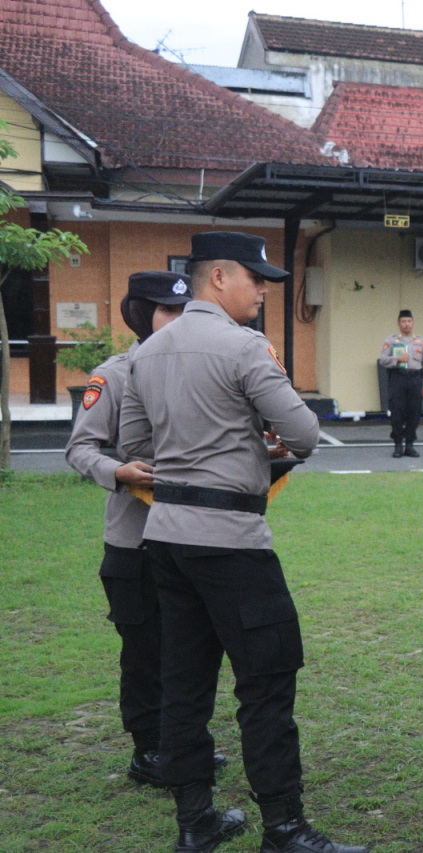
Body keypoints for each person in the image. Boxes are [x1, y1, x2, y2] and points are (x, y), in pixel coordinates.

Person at [118, 232, 365, 853]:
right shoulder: (245, 345)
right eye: (256, 279)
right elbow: (305, 434)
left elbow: (132, 448)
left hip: (166, 536)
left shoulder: (148, 352)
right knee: (267, 680)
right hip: (231, 538)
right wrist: (254, 444)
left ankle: (195, 820)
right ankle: (284, 826)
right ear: (219, 278)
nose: (263, 290)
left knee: (184, 681)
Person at [64, 271, 229, 789]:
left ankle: (183, 744)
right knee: (145, 654)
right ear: (141, 315)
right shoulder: (114, 375)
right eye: (167, 312)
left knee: (191, 651)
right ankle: (149, 751)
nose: (179, 322)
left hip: (194, 537)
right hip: (135, 544)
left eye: (185, 311)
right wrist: (118, 472)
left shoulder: (204, 369)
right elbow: (80, 448)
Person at [378, 309, 423, 458]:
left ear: (413, 323)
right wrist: (396, 360)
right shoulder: (391, 341)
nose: (407, 324)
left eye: (409, 321)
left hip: (415, 379)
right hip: (398, 378)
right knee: (397, 412)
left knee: (414, 413)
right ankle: (398, 444)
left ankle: (409, 445)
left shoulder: (420, 341)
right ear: (399, 324)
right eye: (403, 321)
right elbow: (382, 360)